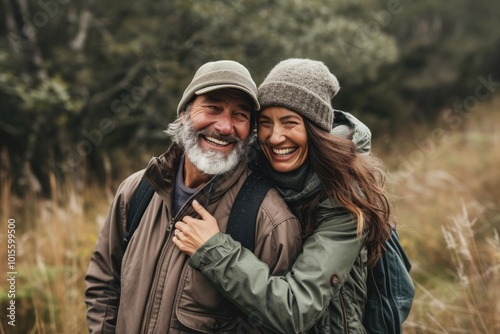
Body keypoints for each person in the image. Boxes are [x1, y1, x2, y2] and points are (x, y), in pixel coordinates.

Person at [173, 58, 393, 333]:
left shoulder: (344, 201)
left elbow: (297, 309)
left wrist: (214, 251)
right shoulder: (251, 170)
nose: (275, 137)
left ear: (316, 131)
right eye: (265, 122)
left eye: (290, 123)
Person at [84, 60, 303, 333]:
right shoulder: (137, 190)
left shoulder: (270, 221)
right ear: (185, 113)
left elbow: (279, 323)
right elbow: (104, 284)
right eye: (213, 108)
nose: (225, 127)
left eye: (240, 115)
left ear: (250, 132)